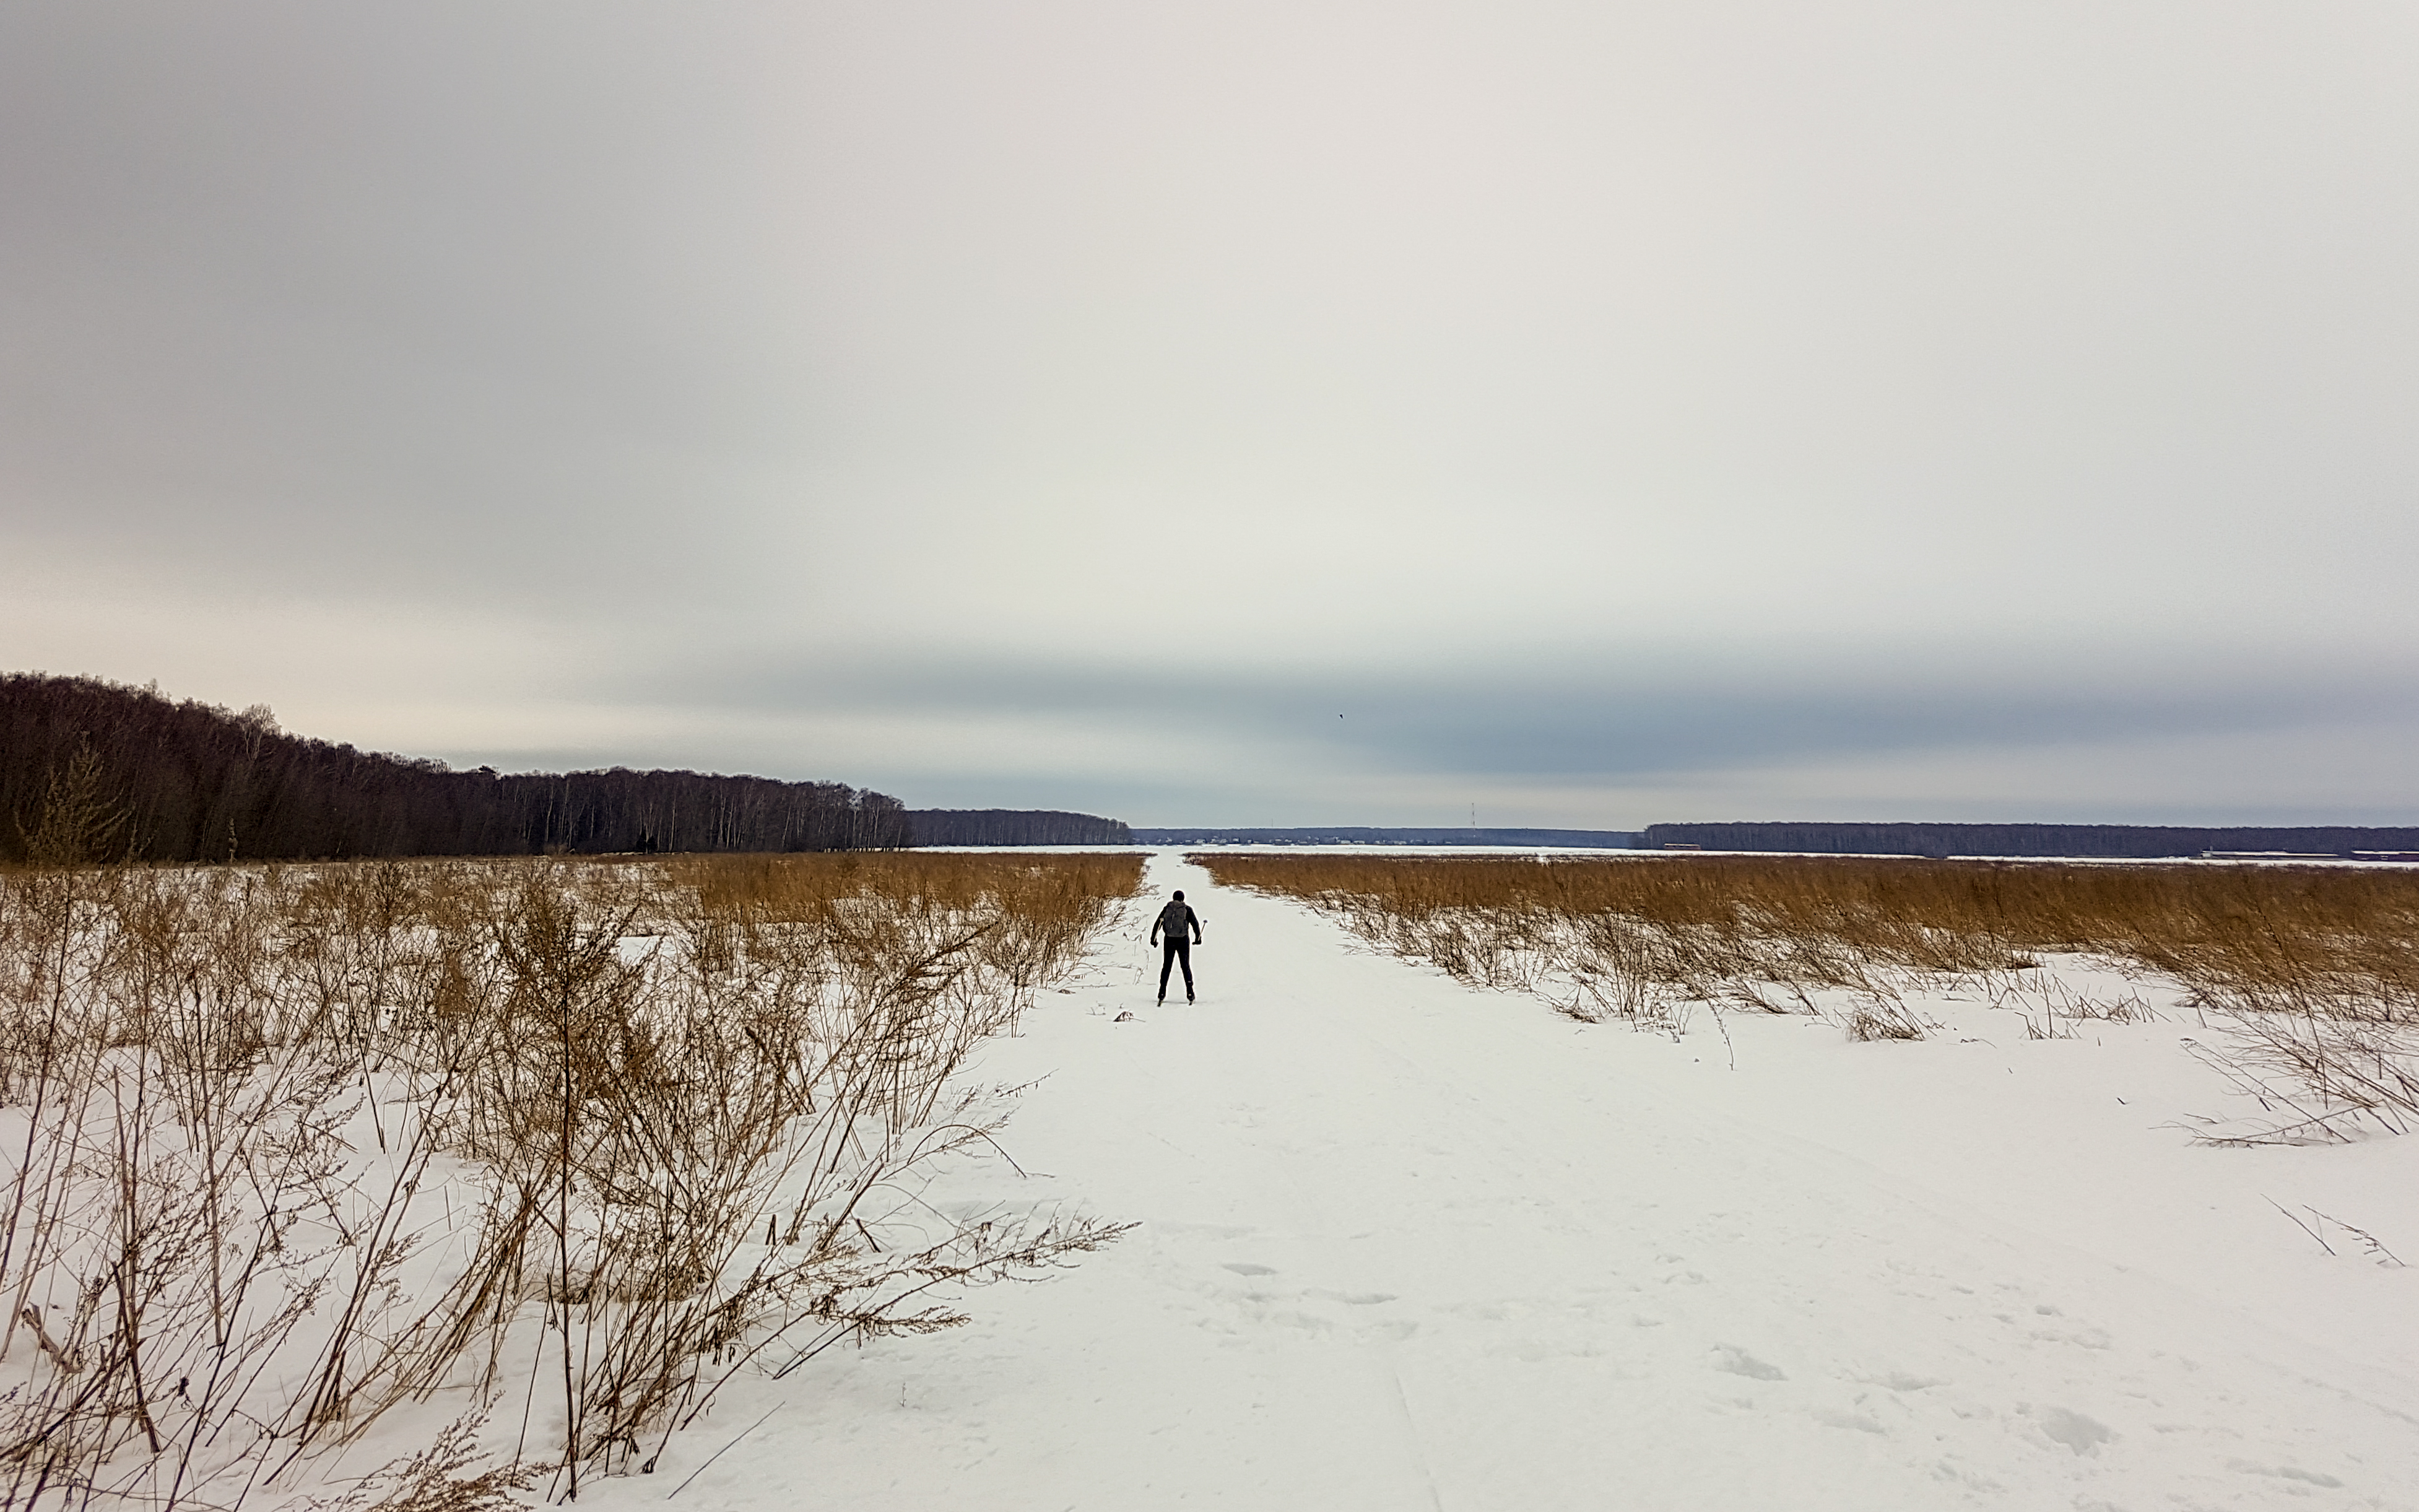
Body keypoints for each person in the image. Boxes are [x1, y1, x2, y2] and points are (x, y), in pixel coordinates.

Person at [1150, 889, 1202, 1004]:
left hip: (1169, 940)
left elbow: (1158, 923)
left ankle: (1162, 992)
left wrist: (1153, 939)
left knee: (1167, 966)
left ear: (1173, 898)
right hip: (1183, 940)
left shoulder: (1167, 909)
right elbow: (1195, 924)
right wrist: (1198, 938)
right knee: (1185, 966)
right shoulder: (1187, 909)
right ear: (1183, 899)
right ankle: (1190, 993)